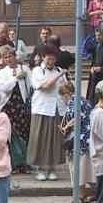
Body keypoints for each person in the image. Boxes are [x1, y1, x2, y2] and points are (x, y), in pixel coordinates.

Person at [27, 46, 67, 181]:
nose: (51, 61)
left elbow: (64, 88)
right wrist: (58, 76)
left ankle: (51, 168)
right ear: (43, 58)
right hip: (42, 108)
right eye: (48, 58)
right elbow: (45, 86)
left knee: (55, 138)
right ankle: (41, 168)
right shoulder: (38, 71)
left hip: (57, 107)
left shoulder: (60, 70)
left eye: (53, 58)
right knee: (41, 137)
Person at [0, 46, 32, 173]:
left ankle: (24, 162)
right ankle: (14, 163)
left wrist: (24, 76)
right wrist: (15, 78)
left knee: (24, 133)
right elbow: (4, 88)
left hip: (21, 105)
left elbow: (30, 86)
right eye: (5, 57)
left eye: (10, 56)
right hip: (9, 106)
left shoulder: (24, 69)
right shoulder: (1, 73)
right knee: (12, 134)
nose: (8, 59)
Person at [59, 82, 96, 203]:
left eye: (62, 96)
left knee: (76, 168)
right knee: (85, 168)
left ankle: (79, 196)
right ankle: (84, 194)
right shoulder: (83, 100)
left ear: (67, 94)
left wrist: (66, 127)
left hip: (79, 140)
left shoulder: (73, 102)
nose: (62, 99)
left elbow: (77, 118)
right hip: (87, 139)